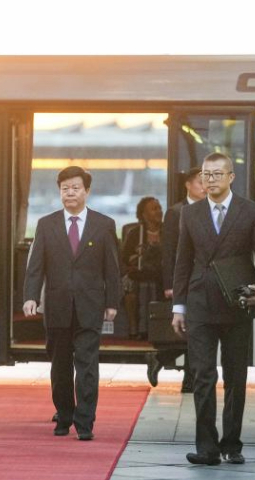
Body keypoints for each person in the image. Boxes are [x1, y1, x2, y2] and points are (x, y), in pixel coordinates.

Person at [22, 166, 120, 441]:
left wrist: (112, 301)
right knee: (60, 365)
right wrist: (30, 296)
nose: (70, 193)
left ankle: (85, 421)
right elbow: (35, 267)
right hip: (56, 305)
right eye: (65, 188)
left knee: (87, 365)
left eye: (75, 188)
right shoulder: (46, 224)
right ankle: (64, 415)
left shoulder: (104, 224)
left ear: (87, 191)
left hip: (90, 305)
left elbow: (112, 267)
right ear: (59, 192)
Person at [172, 152, 254, 466]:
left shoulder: (249, 211)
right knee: (202, 376)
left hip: (238, 303)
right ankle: (206, 447)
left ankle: (232, 444)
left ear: (231, 177)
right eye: (206, 174)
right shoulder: (190, 214)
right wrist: (179, 306)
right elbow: (182, 262)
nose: (211, 180)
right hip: (200, 303)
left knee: (235, 376)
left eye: (217, 174)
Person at [153, 167, 204, 392]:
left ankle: (163, 359)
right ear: (188, 185)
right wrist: (169, 284)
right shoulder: (176, 212)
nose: (205, 186)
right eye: (200, 182)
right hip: (184, 280)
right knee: (195, 330)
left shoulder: (210, 209)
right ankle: (189, 380)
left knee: (198, 330)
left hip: (204, 279)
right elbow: (168, 250)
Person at [120, 197, 164, 340]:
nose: (159, 211)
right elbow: (124, 258)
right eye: (154, 209)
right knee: (130, 287)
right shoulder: (134, 233)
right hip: (138, 274)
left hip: (161, 275)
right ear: (144, 215)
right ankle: (135, 328)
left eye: (159, 208)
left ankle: (160, 328)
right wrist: (135, 258)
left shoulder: (169, 231)